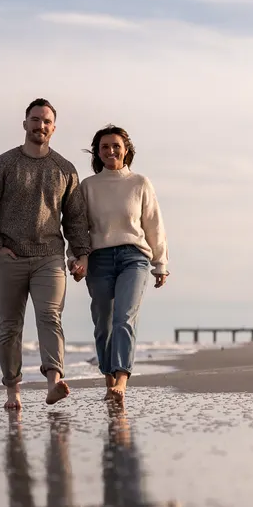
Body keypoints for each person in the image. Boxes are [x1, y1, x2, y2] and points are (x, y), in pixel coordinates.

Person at [0, 98, 90, 411]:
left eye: (47, 121)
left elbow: (76, 218)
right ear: (25, 124)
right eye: (35, 120)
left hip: (49, 256)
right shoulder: (2, 165)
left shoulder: (64, 169)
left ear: (54, 127)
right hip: (9, 257)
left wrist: (81, 255)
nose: (41, 126)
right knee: (10, 325)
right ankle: (13, 390)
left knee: (50, 317)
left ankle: (54, 381)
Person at [69, 125, 168, 405]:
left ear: (126, 149)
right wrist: (77, 259)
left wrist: (161, 262)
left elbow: (154, 224)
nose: (111, 151)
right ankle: (109, 380)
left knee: (124, 316)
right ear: (97, 153)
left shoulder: (139, 183)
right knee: (103, 322)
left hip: (134, 257)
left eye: (116, 146)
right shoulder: (87, 186)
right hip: (99, 259)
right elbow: (78, 228)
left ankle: (122, 379)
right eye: (104, 147)